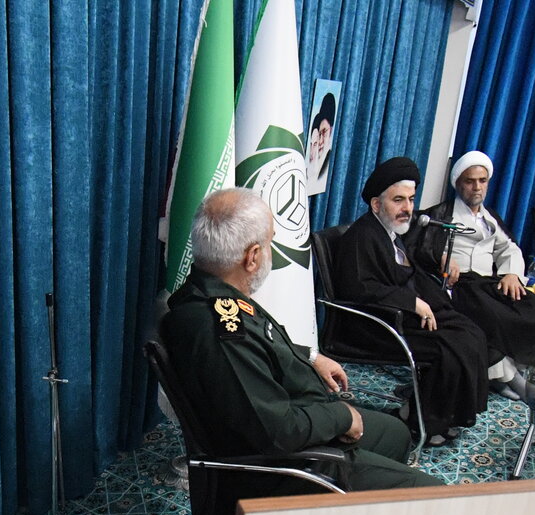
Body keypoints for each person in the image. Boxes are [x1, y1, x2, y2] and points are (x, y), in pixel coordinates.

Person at [160, 187, 439, 498]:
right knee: (430, 495)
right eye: (270, 243)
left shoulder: (214, 292)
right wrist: (341, 416)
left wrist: (310, 358)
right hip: (290, 466)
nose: (271, 251)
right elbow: (277, 432)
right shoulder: (222, 330)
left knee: (396, 434)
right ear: (252, 257)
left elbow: (261, 345)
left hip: (300, 413)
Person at [333, 157, 490, 447]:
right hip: (373, 327)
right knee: (450, 348)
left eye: (411, 199)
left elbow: (407, 274)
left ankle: (439, 415)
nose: (407, 208)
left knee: (470, 332)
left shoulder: (391, 232)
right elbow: (359, 290)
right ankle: (423, 423)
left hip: (398, 316)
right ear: (376, 204)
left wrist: (434, 302)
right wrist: (413, 303)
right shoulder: (361, 237)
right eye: (398, 200)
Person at [414, 150, 535, 402]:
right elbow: (421, 249)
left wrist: (511, 274)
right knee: (493, 315)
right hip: (460, 285)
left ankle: (509, 371)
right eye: (469, 181)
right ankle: (508, 378)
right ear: (458, 184)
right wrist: (441, 257)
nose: (477, 187)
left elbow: (508, 248)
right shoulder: (441, 214)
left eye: (482, 181)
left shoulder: (489, 218)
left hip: (489, 283)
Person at [306, 92, 336, 191]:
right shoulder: (312, 166)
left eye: (324, 132)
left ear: (331, 130)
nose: (321, 141)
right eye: (319, 135)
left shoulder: (329, 162)